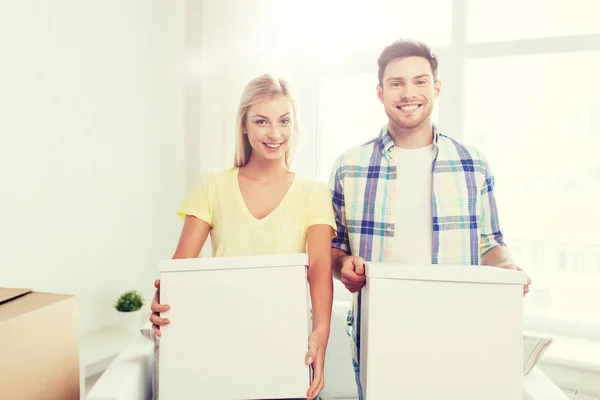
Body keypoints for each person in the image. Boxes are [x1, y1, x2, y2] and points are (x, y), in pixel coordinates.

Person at [328, 39, 532, 399]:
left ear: (436, 88)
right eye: (396, 83)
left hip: (457, 331)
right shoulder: (349, 166)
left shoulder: (473, 163)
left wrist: (509, 269)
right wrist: (344, 264)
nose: (409, 92)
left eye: (420, 81)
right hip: (380, 333)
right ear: (380, 93)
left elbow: (489, 245)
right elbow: (333, 249)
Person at [150, 74, 335, 400]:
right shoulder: (212, 185)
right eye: (262, 121)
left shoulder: (314, 192)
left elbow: (320, 270)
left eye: (284, 121)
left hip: (285, 348)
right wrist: (163, 303)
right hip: (222, 343)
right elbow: (182, 266)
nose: (275, 133)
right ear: (244, 126)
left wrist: (321, 333)